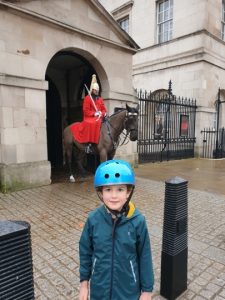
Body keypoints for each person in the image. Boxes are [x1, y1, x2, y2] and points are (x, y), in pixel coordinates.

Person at [79, 159, 154, 300]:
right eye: (108, 189)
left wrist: (147, 291)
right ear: (101, 193)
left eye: (120, 189)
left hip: (128, 292)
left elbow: (145, 256)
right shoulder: (93, 219)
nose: (114, 196)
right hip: (99, 290)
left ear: (128, 192)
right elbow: (85, 251)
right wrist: (84, 283)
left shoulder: (138, 221)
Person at [70, 74, 107, 154]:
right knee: (92, 122)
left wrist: (102, 113)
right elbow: (85, 110)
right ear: (92, 90)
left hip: (99, 116)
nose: (96, 92)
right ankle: (89, 144)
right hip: (89, 117)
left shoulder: (100, 99)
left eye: (97, 90)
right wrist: (94, 114)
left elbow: (104, 109)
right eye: (95, 90)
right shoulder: (87, 98)